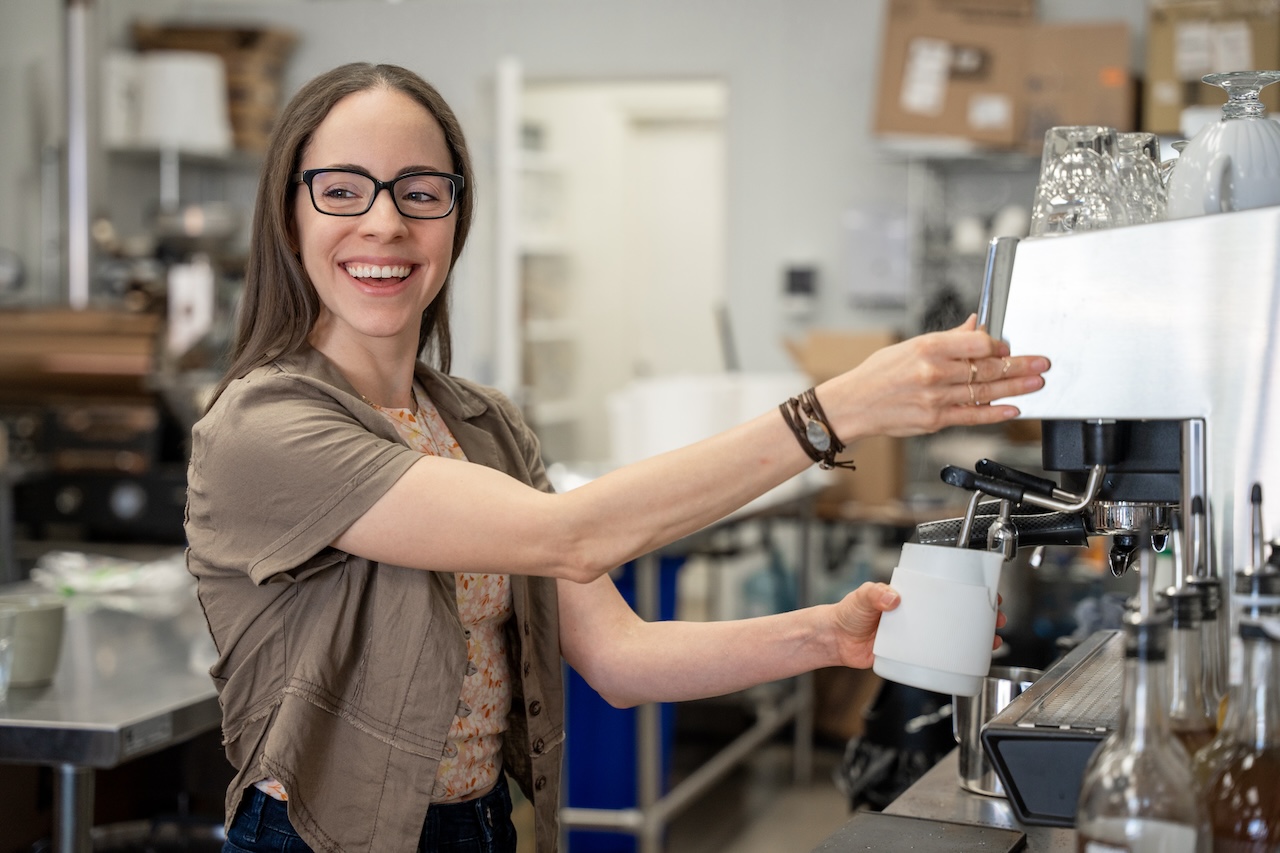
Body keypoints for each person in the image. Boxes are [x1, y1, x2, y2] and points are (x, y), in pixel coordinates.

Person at [184, 61, 1050, 853]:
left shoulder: (482, 425)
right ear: (289, 213)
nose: (385, 223)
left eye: (420, 192)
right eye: (342, 190)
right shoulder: (267, 425)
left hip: (478, 826)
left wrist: (827, 632)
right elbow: (573, 534)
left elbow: (619, 656)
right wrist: (836, 410)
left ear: (456, 216)